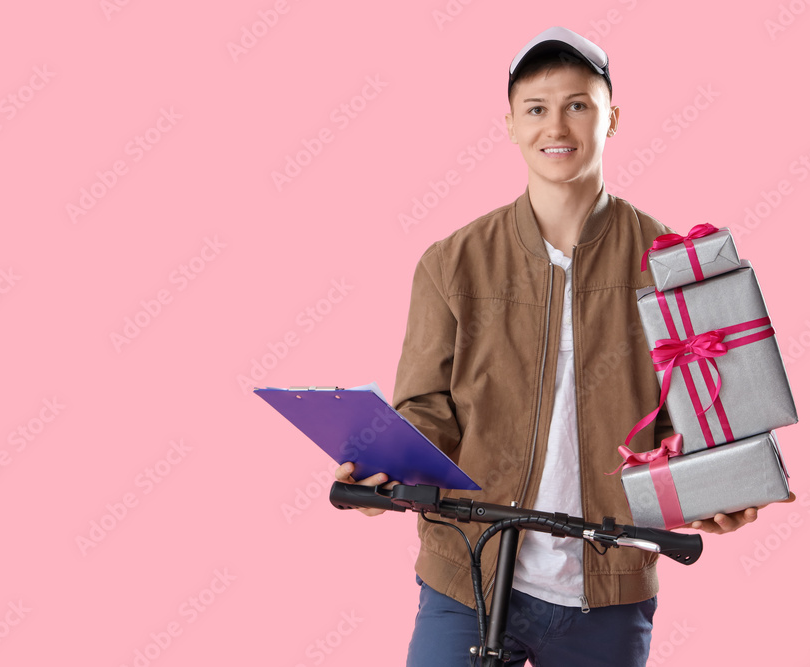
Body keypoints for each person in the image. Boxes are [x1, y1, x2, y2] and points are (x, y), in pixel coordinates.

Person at [335, 26, 782, 666]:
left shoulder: (670, 264)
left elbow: (700, 420)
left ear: (612, 117)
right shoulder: (451, 263)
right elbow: (427, 406)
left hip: (610, 585)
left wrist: (720, 491)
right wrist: (390, 462)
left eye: (578, 104)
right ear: (511, 125)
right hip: (470, 574)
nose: (557, 125)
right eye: (536, 109)